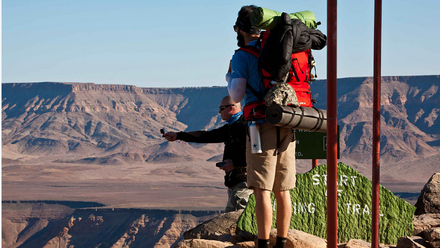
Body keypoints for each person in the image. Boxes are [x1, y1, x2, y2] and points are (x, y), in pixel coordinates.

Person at [227, 5, 296, 248]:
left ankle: (263, 243)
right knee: (283, 189)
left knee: (262, 189)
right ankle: (282, 242)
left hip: (259, 124)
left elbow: (236, 96)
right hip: (287, 120)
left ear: (238, 29)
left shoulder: (242, 55)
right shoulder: (277, 48)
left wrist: (229, 76)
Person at [162, 95, 253, 213]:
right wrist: (178, 136)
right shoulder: (230, 127)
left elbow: (257, 154)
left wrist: (235, 163)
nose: (219, 112)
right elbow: (205, 136)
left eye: (221, 108)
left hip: (245, 182)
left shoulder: (246, 126)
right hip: (234, 182)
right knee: (231, 217)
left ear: (231, 108)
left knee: (237, 216)